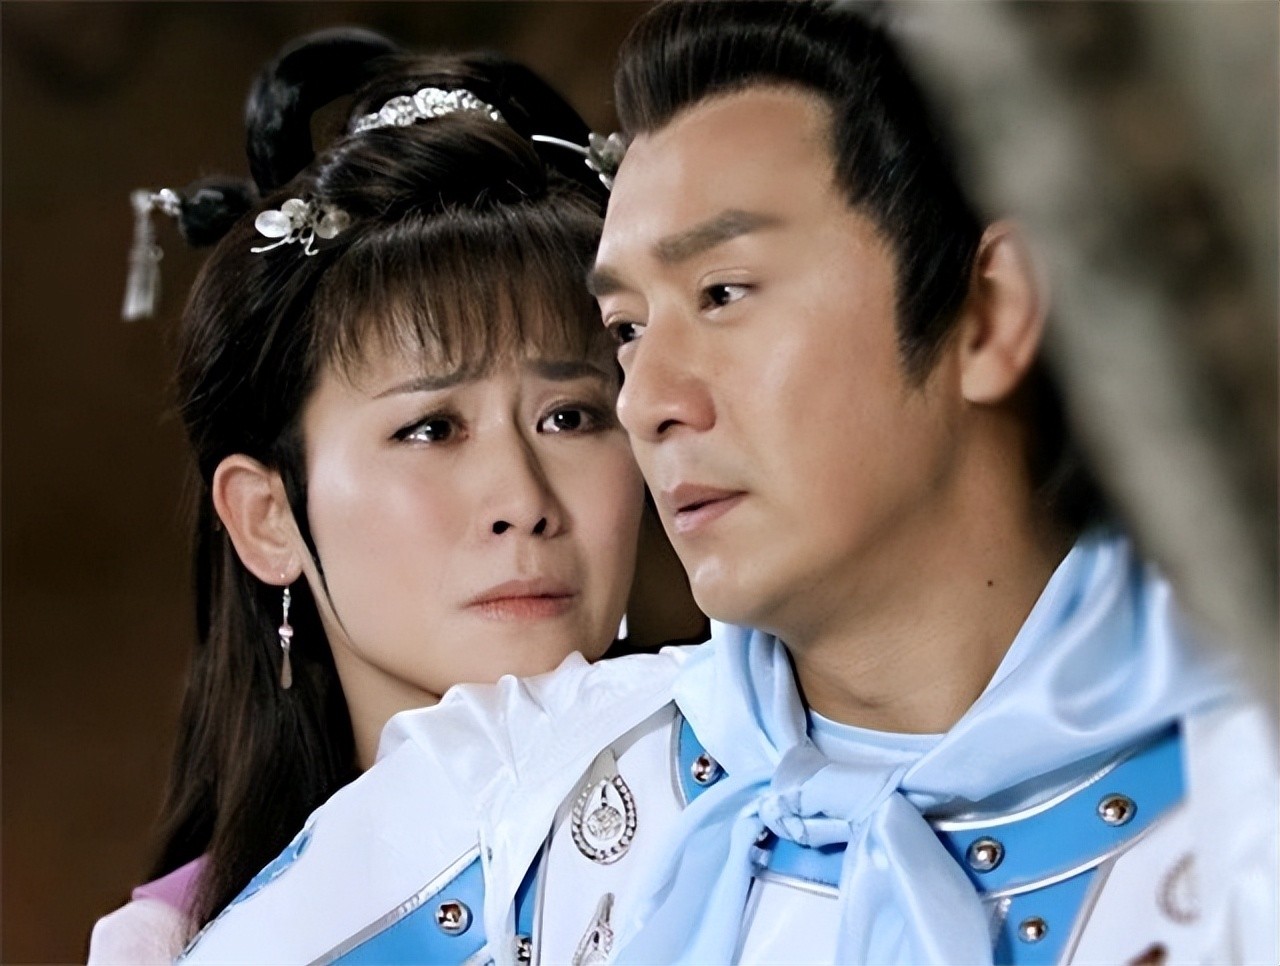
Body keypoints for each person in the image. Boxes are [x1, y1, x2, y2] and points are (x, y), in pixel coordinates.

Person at [179, 4, 1278, 964]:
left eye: (722, 293)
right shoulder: (511, 797)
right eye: (625, 330)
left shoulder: (1240, 795)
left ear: (985, 314)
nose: (646, 400)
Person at [88, 27, 703, 964]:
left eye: (571, 417)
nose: (522, 499)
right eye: (431, 429)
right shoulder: (182, 945)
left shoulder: (773, 804)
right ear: (268, 517)